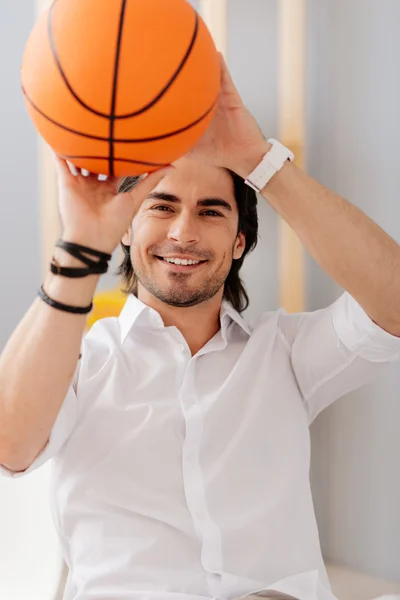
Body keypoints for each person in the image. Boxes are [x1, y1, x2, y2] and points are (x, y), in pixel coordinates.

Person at [0, 55, 399, 600]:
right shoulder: (81, 361)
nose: (184, 232)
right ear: (126, 230)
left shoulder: (284, 353)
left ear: (239, 243)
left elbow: (393, 304)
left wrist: (261, 161)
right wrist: (81, 244)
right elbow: (9, 444)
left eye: (212, 211)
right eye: (161, 206)